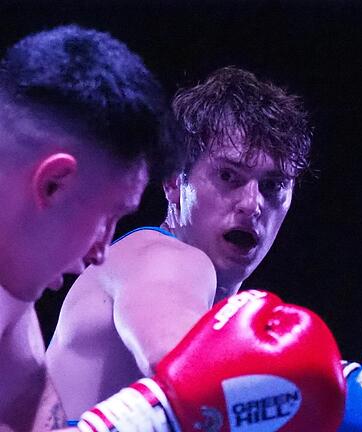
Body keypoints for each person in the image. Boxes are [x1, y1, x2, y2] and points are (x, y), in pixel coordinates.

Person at [47, 66, 315, 419]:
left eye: (273, 186)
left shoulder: (217, 311)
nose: (252, 204)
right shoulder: (164, 256)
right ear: (174, 182)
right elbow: (182, 364)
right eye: (228, 176)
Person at [0, 24, 170, 431]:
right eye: (106, 217)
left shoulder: (11, 297)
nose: (100, 252)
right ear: (53, 183)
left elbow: (32, 412)